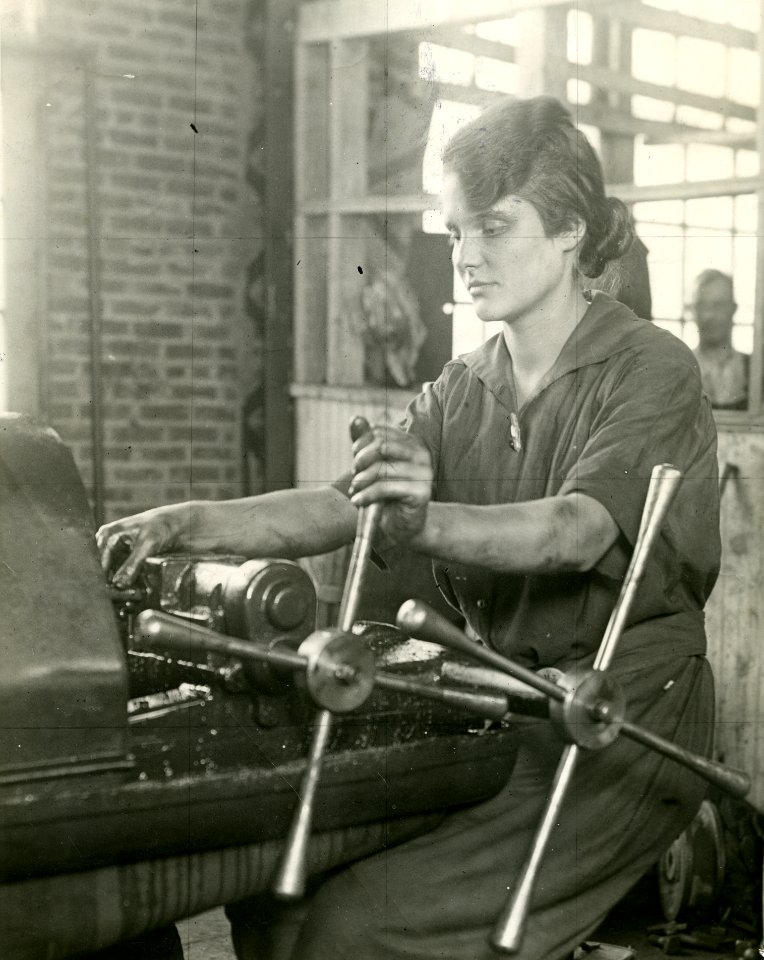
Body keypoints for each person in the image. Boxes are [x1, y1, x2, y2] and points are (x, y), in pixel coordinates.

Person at [98, 96, 720, 960]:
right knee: (274, 900)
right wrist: (185, 524)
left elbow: (577, 530)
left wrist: (421, 520)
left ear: (573, 227)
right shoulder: (464, 384)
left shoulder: (652, 368)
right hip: (499, 705)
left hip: (618, 723)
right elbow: (343, 504)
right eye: (457, 232)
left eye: (494, 228)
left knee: (354, 935)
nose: (464, 258)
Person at [691, 268, 749, 411]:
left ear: (733, 309)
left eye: (719, 305)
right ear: (694, 310)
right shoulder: (680, 367)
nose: (710, 315)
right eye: (703, 305)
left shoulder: (756, 369)